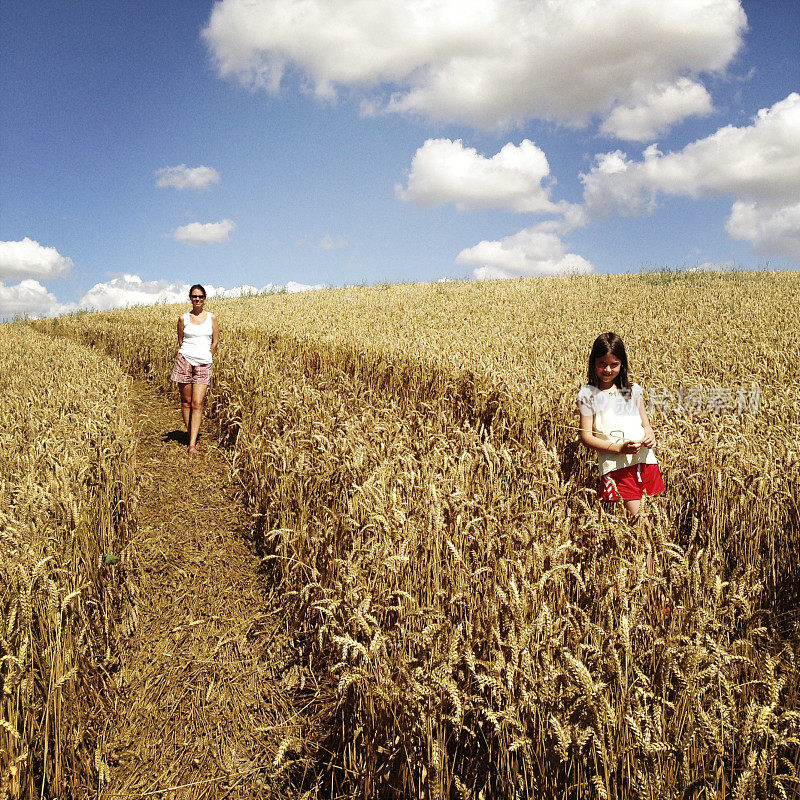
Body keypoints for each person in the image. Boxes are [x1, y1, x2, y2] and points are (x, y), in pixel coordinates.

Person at [576, 332, 664, 517]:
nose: (608, 370)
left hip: (645, 460)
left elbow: (645, 425)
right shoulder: (588, 394)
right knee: (639, 520)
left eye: (614, 364)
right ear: (593, 363)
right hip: (617, 465)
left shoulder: (633, 390)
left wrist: (650, 436)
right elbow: (585, 437)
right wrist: (619, 448)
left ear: (622, 364)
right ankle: (649, 547)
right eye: (602, 364)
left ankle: (649, 546)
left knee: (649, 517)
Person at [170, 284, 219, 454]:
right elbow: (180, 340)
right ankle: (192, 436)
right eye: (194, 296)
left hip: (204, 363)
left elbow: (215, 341)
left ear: (204, 298)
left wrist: (207, 356)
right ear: (190, 298)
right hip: (185, 361)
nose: (197, 299)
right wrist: (186, 354)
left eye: (200, 296)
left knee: (198, 403)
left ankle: (192, 443)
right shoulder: (183, 318)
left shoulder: (212, 318)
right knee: (186, 402)